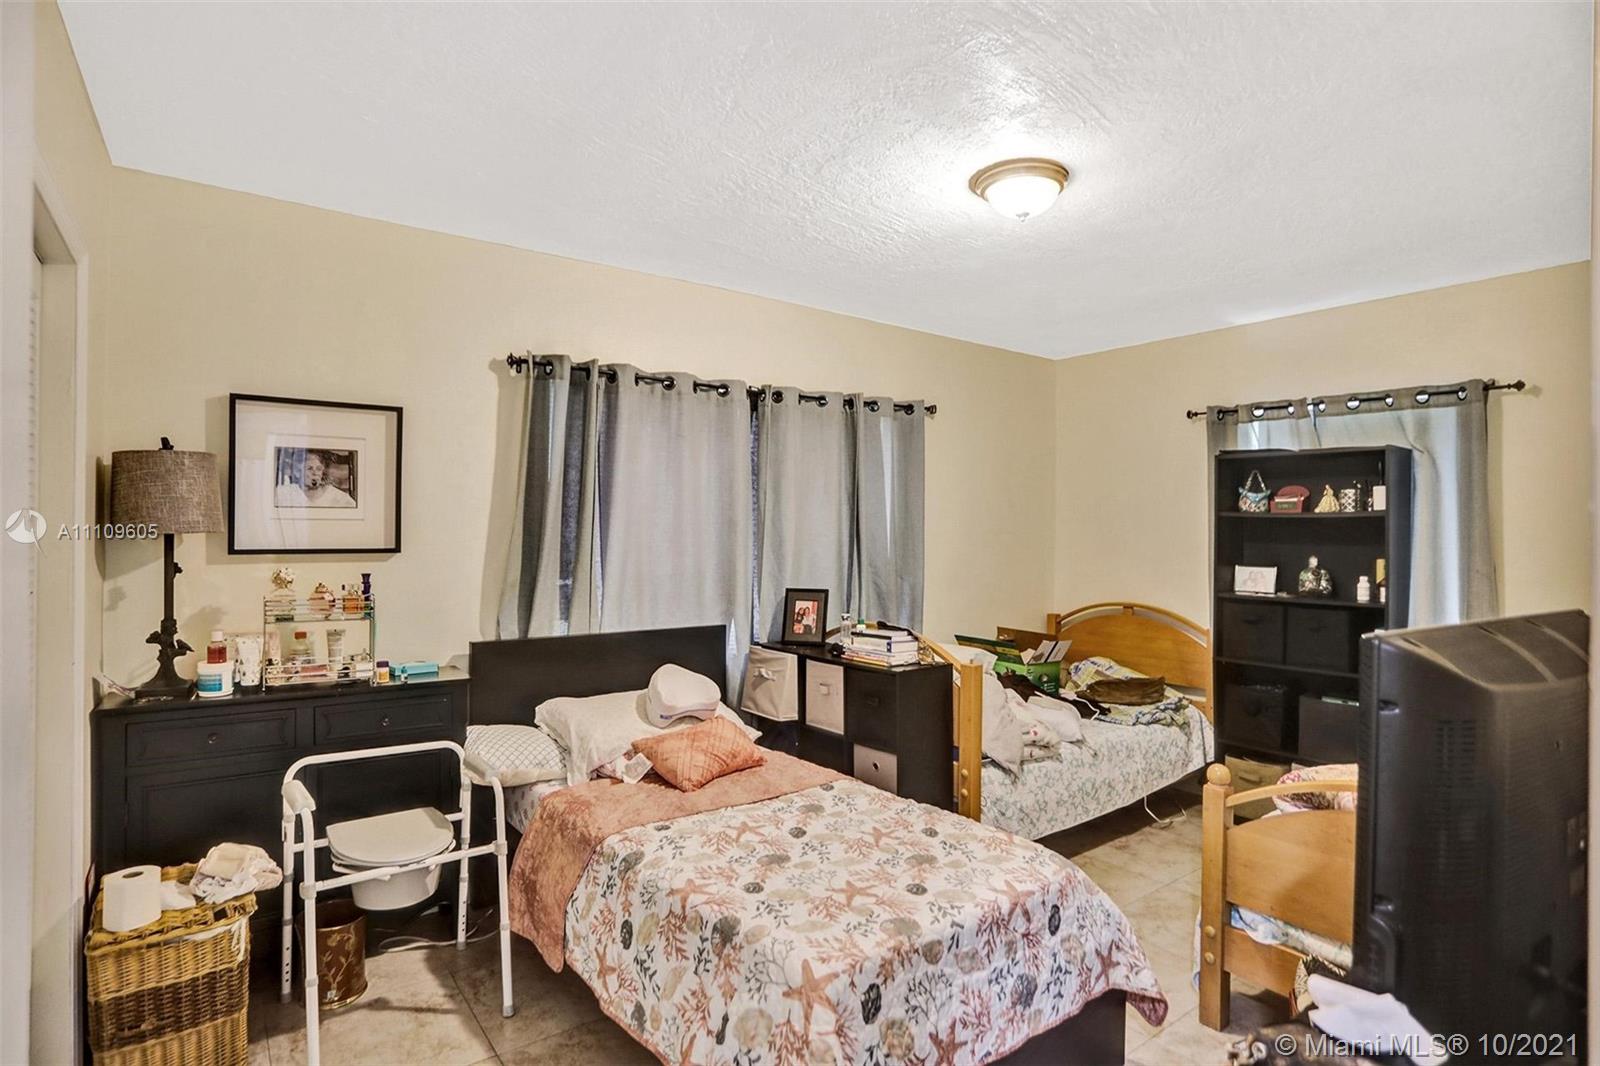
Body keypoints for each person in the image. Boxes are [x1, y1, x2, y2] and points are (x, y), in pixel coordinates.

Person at [276, 450, 356, 508]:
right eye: (309, 468)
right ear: (298, 472)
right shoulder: (284, 493)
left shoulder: (339, 498)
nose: (315, 473)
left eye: (319, 469)